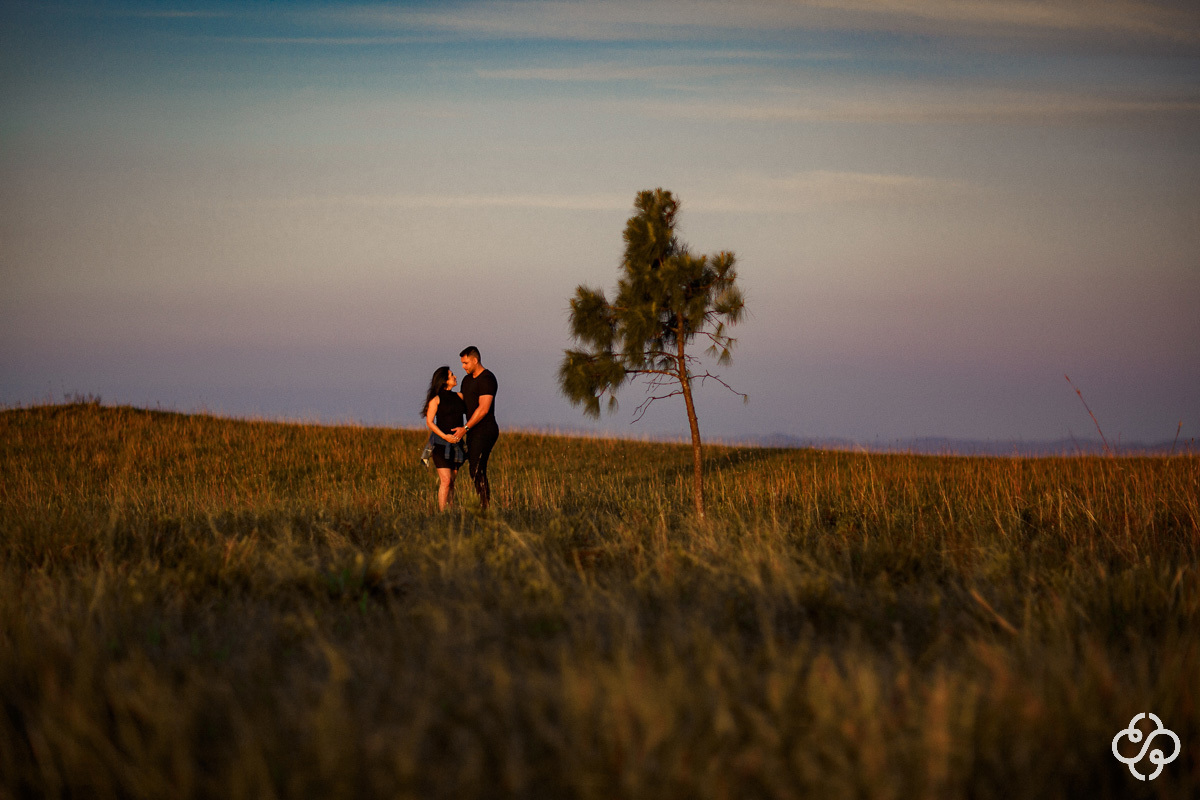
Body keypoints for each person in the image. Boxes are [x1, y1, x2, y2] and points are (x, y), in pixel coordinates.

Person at [453, 346, 499, 509]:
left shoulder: (487, 379)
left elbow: (483, 409)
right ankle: (482, 505)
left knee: (478, 468)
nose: (463, 366)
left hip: (486, 429)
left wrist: (464, 428)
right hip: (472, 430)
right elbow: (464, 402)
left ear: (475, 360)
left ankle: (484, 507)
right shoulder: (466, 380)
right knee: (474, 469)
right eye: (462, 363)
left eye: (465, 363)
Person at [421, 365, 467, 511]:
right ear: (444, 380)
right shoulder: (436, 400)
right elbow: (429, 422)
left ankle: (451, 511)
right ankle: (442, 513)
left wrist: (463, 431)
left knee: (452, 482)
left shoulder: (460, 396)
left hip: (457, 445)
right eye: (452, 375)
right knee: (446, 481)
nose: (455, 377)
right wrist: (445, 437)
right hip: (440, 445)